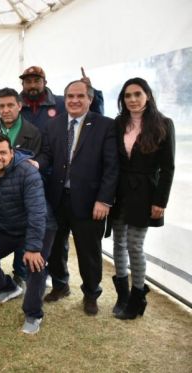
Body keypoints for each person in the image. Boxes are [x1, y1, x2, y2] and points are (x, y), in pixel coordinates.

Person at [34, 80, 119, 315]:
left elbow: (112, 167)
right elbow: (47, 156)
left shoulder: (105, 126)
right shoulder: (53, 125)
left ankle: (91, 293)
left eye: (80, 96)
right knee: (54, 247)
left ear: (90, 99)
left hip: (91, 202)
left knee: (88, 250)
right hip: (57, 198)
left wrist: (104, 200)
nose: (74, 100)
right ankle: (60, 285)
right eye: (70, 96)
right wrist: (36, 163)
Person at [0, 134, 53, 334]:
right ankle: (8, 287)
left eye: (3, 152)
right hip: (6, 226)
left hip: (40, 226)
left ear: (12, 153)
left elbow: (37, 212)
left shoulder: (28, 172)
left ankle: (33, 314)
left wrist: (33, 248)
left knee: (35, 266)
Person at [109, 78, 175, 320]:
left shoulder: (164, 124)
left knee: (134, 245)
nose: (133, 100)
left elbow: (168, 168)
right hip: (120, 192)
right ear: (122, 100)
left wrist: (161, 202)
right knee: (118, 244)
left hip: (146, 193)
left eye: (138, 94)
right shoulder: (118, 123)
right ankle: (122, 295)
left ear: (148, 95)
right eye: (128, 96)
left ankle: (138, 296)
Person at [0, 87, 41, 288]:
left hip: (21, 195)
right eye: (1, 106)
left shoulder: (32, 132)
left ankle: (21, 274)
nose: (6, 109)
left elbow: (35, 162)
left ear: (20, 106)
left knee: (22, 234)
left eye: (10, 105)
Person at [19, 66, 104, 132]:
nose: (32, 85)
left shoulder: (62, 103)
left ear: (45, 83)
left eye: (37, 81)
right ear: (22, 84)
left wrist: (91, 91)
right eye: (28, 82)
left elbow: (94, 118)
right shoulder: (14, 107)